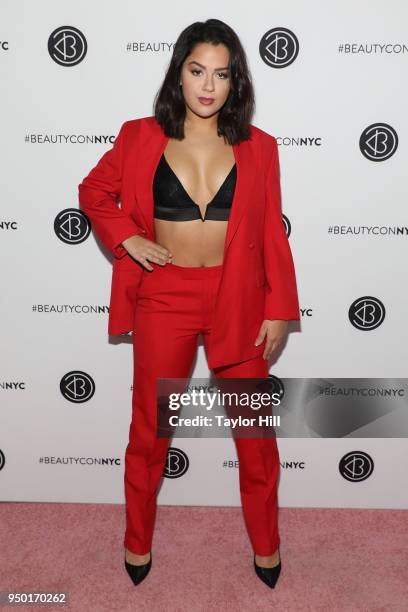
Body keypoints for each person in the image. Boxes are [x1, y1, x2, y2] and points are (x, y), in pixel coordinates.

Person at [78, 18, 300, 590]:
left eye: (221, 74)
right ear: (178, 73)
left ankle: (268, 547)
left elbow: (272, 233)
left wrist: (279, 307)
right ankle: (136, 541)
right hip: (165, 297)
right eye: (197, 70)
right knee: (150, 430)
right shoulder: (138, 135)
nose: (208, 86)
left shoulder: (262, 147)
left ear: (236, 82)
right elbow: (94, 192)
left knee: (255, 433)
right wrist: (127, 236)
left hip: (239, 300)